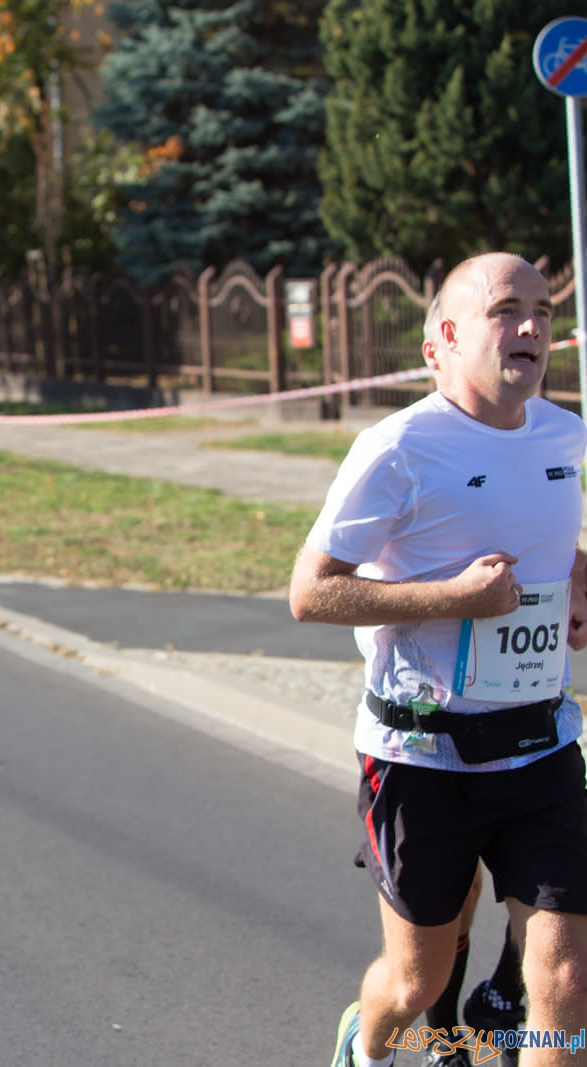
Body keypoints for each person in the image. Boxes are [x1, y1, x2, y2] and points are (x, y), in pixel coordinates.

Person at [290, 252, 587, 1067]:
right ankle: (369, 1037)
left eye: (543, 310)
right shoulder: (398, 448)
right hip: (423, 750)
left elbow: (553, 534)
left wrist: (577, 578)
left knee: (563, 974)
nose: (531, 326)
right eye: (505, 311)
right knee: (419, 979)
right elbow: (311, 593)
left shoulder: (566, 433)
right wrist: (453, 596)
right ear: (442, 343)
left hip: (541, 740)